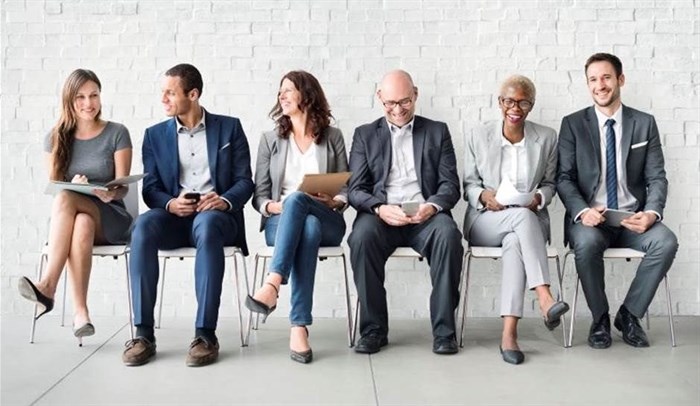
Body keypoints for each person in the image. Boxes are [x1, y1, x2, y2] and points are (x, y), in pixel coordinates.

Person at [123, 63, 254, 367]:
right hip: (175, 218)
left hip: (216, 218)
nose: (164, 99)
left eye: (170, 92)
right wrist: (170, 203)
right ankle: (143, 334)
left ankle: (205, 334)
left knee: (207, 224)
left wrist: (222, 200)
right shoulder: (154, 135)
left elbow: (245, 181)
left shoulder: (229, 128)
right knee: (142, 225)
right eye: (163, 93)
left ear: (193, 94)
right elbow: (151, 188)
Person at [557, 53, 678, 349]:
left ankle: (629, 315)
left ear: (620, 80)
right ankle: (600, 318)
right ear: (588, 85)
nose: (600, 85)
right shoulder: (573, 124)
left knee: (666, 242)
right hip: (591, 221)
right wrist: (582, 211)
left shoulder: (644, 123)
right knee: (585, 244)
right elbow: (564, 178)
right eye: (593, 80)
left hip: (631, 219)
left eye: (606, 77)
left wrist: (651, 213)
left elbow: (657, 178)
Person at [347, 70, 464, 355]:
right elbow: (355, 189)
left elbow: (450, 185)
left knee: (449, 236)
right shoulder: (364, 135)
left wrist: (432, 206)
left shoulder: (437, 131)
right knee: (360, 238)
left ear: (416, 94)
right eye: (390, 103)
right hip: (381, 215)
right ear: (379, 97)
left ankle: (444, 332)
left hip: (425, 214)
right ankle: (373, 330)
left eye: (405, 102)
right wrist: (379, 208)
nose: (398, 110)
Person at [17, 69, 133, 346]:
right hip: (77, 219)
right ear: (69, 100)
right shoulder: (56, 138)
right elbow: (54, 188)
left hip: (111, 217)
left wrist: (108, 193)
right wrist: (72, 183)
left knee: (67, 200)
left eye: (93, 95)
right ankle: (81, 314)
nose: (88, 102)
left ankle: (48, 286)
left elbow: (123, 187)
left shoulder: (117, 133)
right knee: (80, 221)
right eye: (80, 97)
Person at [463, 75, 570, 365]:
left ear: (531, 105)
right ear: (500, 102)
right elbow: (468, 185)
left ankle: (509, 334)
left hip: (526, 223)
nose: (515, 107)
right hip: (486, 220)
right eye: (509, 100)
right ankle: (545, 297)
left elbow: (550, 183)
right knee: (520, 220)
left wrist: (539, 198)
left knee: (515, 243)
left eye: (523, 102)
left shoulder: (546, 138)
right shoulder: (478, 135)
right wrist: (485, 196)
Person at [245, 70, 348, 364]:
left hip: (326, 215)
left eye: (289, 90)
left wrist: (335, 199)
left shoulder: (333, 137)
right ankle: (299, 326)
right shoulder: (270, 140)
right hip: (281, 222)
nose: (282, 95)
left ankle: (272, 285)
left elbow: (347, 189)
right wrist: (276, 207)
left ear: (307, 94)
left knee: (304, 206)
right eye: (280, 91)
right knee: (307, 225)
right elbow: (260, 196)